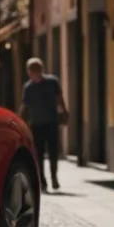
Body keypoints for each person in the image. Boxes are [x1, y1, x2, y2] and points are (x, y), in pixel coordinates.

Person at [20, 57, 69, 192]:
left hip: (51, 122)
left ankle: (53, 177)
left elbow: (59, 99)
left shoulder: (52, 82)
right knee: (38, 154)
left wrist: (64, 112)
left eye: (32, 70)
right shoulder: (28, 87)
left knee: (53, 153)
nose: (31, 73)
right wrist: (20, 120)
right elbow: (24, 106)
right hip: (36, 125)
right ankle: (42, 181)